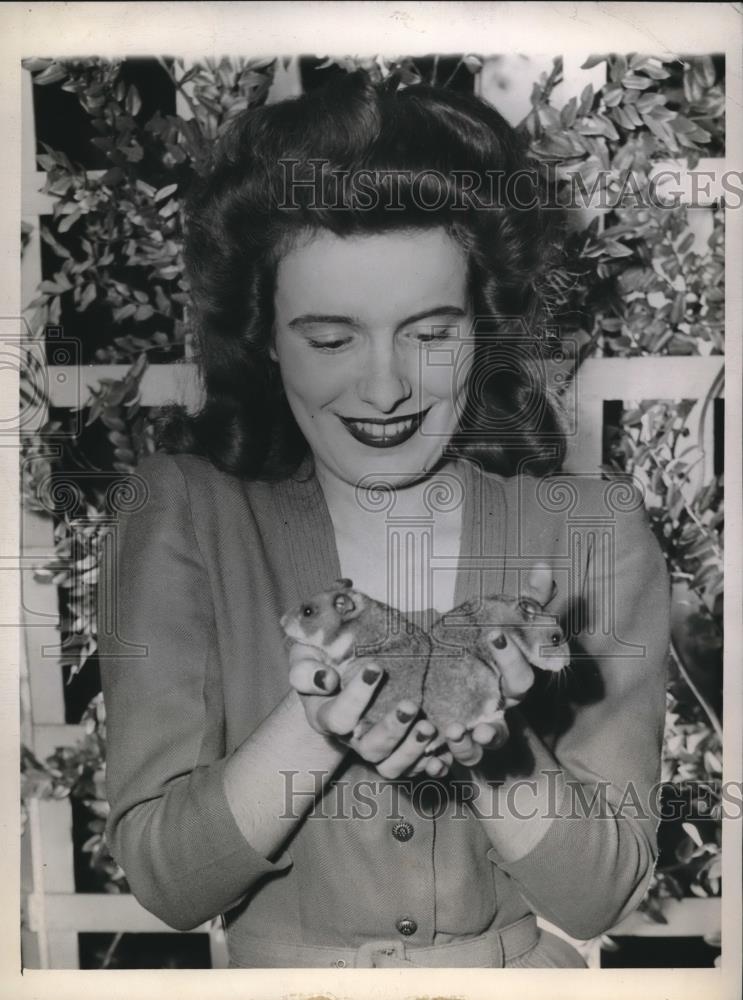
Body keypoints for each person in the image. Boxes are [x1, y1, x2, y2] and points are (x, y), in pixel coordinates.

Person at [97, 70, 670, 969]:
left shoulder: (591, 531)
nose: (384, 387)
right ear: (263, 332)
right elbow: (168, 884)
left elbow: (598, 897)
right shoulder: (181, 514)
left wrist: (490, 741)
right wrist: (314, 721)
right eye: (330, 339)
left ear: (483, 325)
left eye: (430, 332)